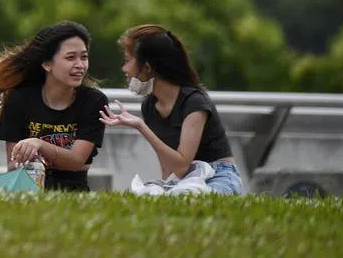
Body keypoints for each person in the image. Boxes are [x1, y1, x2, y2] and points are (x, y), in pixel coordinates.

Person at [0, 21, 108, 192]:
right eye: (70, 58)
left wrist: (39, 144)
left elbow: (77, 160)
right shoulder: (19, 97)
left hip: (71, 190)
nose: (80, 65)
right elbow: (13, 164)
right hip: (26, 187)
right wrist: (29, 160)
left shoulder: (94, 101)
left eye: (84, 57)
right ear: (47, 64)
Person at [100, 24, 244, 194]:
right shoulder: (150, 106)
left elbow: (181, 166)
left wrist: (141, 126)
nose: (124, 69)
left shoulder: (194, 102)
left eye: (127, 60)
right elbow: (170, 170)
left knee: (190, 197)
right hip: (186, 180)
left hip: (218, 176)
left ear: (147, 68)